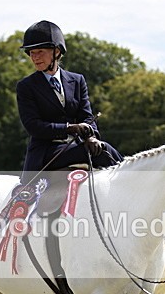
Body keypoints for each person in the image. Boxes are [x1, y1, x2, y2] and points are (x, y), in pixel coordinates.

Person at [16, 20, 123, 184]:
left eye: (40, 51)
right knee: (96, 150)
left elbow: (87, 117)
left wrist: (91, 137)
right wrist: (69, 128)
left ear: (57, 51)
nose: (35, 57)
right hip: (46, 153)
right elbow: (33, 126)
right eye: (31, 53)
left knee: (101, 148)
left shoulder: (77, 80)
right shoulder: (26, 86)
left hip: (75, 146)